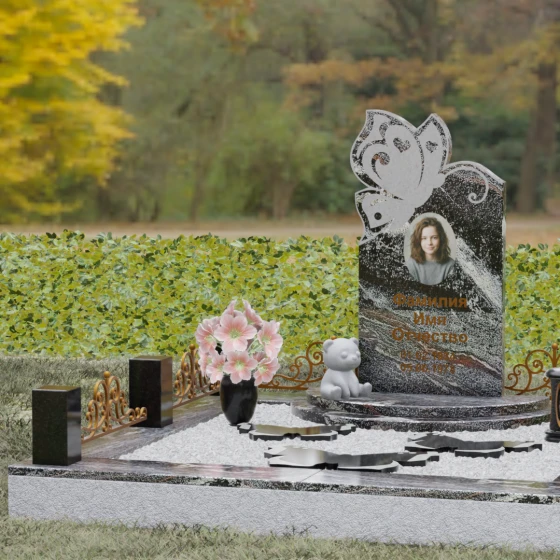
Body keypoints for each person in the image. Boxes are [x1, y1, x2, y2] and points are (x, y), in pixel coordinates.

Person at [406, 217, 455, 285]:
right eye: (424, 238)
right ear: (418, 241)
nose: (429, 243)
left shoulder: (451, 265)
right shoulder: (411, 264)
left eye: (434, 237)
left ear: (441, 239)